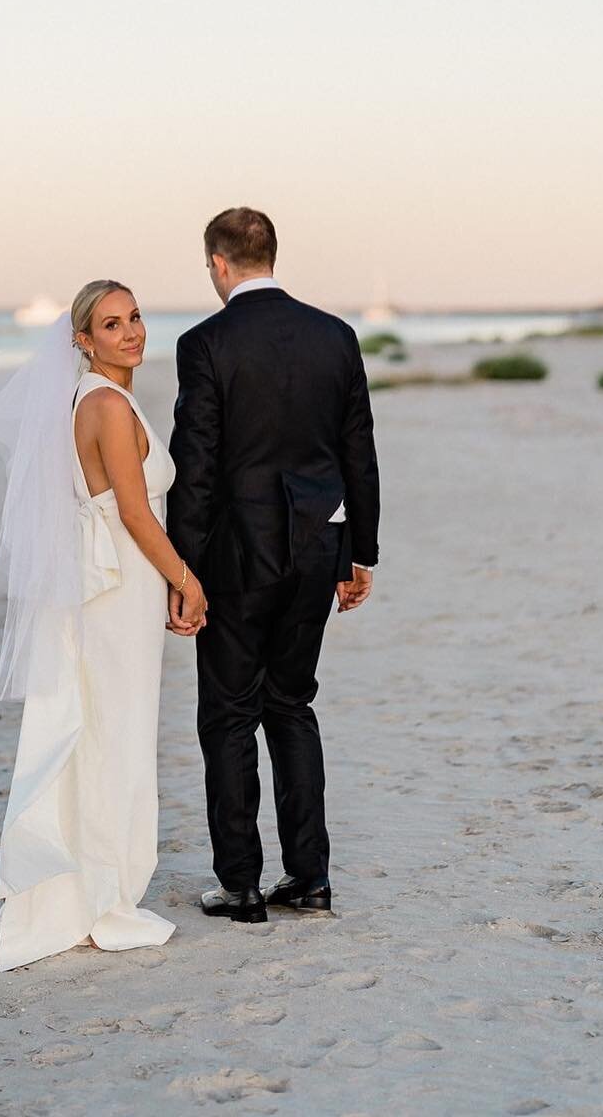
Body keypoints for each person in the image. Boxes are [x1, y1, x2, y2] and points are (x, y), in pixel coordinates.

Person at [0, 280, 208, 971]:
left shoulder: (102, 397)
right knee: (115, 735)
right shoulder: (105, 403)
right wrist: (187, 580)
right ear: (83, 340)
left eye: (134, 317)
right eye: (111, 324)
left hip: (114, 581)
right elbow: (135, 513)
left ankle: (88, 889)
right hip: (121, 583)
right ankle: (101, 897)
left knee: (103, 729)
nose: (130, 332)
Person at [168, 208, 381, 922]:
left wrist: (182, 571)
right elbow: (360, 454)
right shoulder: (336, 337)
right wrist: (362, 555)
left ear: (220, 264)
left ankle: (242, 885)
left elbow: (195, 468)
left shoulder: (206, 343)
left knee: (228, 717)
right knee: (292, 706)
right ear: (270, 255)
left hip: (235, 557)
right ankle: (310, 880)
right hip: (318, 548)